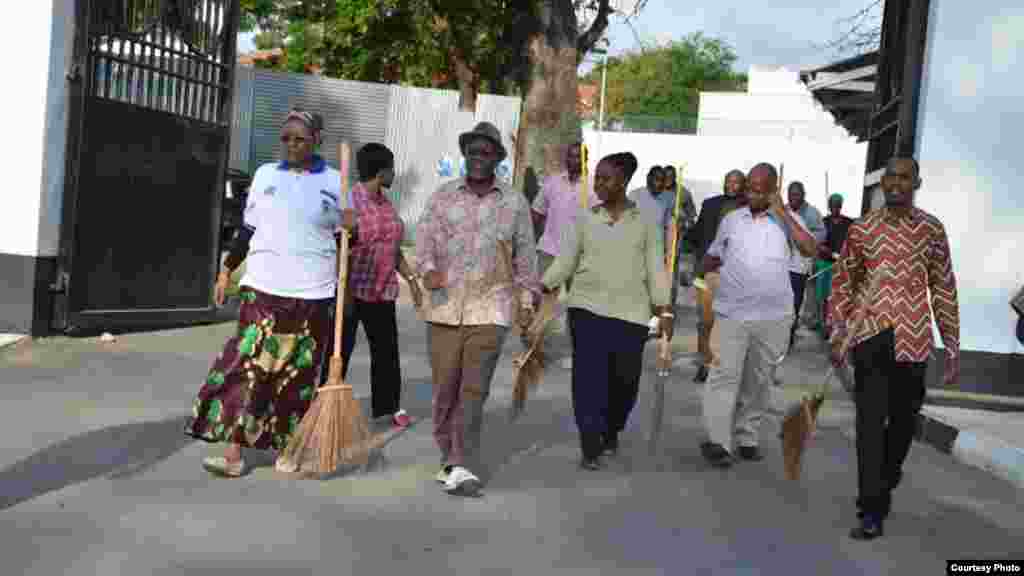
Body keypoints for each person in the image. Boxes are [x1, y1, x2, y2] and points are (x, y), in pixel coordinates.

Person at [185, 109, 351, 477]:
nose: (291, 146)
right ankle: (233, 453)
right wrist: (226, 270)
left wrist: (352, 232)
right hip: (262, 286)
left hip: (314, 292)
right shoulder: (264, 176)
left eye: (300, 139)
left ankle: (288, 449)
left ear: (316, 141)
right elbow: (247, 229)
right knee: (249, 367)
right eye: (286, 138)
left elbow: (345, 243)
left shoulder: (336, 183)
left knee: (297, 373)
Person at [829, 156, 959, 541]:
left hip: (914, 339)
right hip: (869, 336)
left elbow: (943, 286)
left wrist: (951, 343)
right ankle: (871, 507)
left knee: (902, 425)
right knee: (869, 423)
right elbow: (843, 282)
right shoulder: (863, 229)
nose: (896, 183)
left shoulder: (931, 230)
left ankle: (886, 479)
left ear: (917, 182)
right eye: (890, 177)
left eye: (904, 177)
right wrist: (839, 330)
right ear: (882, 184)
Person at [415, 122, 540, 497]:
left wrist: (527, 301)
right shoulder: (442, 198)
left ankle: (462, 463)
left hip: (492, 309)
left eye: (486, 153)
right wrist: (427, 271)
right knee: (444, 389)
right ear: (465, 155)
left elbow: (526, 258)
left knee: (474, 390)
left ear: (498, 159)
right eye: (472, 151)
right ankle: (448, 455)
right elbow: (423, 243)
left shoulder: (514, 203)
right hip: (444, 308)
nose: (478, 159)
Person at [541, 152, 672, 470]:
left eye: (605, 178)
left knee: (624, 383)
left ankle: (612, 429)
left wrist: (663, 307)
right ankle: (590, 442)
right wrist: (545, 286)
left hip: (631, 315)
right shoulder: (584, 219)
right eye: (596, 177)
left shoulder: (646, 223)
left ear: (624, 182)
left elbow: (656, 268)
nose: (598, 184)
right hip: (586, 309)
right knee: (587, 380)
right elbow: (566, 260)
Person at [699, 163, 817, 468]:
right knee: (724, 374)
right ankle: (717, 441)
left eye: (758, 188)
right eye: (749, 186)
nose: (750, 192)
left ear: (773, 190)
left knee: (758, 380)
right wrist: (704, 273)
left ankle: (747, 436)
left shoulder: (790, 222)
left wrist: (782, 214)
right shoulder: (731, 220)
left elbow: (808, 249)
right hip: (732, 312)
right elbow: (714, 254)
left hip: (773, 317)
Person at [320, 142, 423, 429]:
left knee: (387, 352)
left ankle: (388, 406)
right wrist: (347, 294)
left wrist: (412, 280)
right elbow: (341, 250)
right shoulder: (349, 203)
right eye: (391, 168)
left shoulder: (386, 204)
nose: (394, 173)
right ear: (381, 171)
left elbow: (393, 248)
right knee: (338, 351)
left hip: (382, 291)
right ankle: (322, 402)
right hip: (351, 292)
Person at [531, 141, 597, 368]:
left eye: (578, 157)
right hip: (549, 251)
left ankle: (575, 353)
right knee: (544, 304)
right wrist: (534, 241)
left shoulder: (593, 188)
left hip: (579, 256)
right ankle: (538, 351)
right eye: (570, 156)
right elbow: (537, 212)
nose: (573, 161)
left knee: (578, 307)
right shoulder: (552, 183)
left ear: (586, 160)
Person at [686, 169, 747, 383]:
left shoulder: (748, 208)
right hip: (707, 270)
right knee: (705, 321)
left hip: (734, 274)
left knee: (729, 323)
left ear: (744, 185)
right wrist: (682, 228)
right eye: (728, 181)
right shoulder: (710, 204)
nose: (731, 185)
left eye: (736, 182)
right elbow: (697, 233)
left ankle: (726, 365)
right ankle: (705, 362)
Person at [785, 181, 826, 351]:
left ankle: (789, 337)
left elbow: (820, 234)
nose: (793, 198)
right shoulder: (784, 211)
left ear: (803, 195)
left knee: (794, 303)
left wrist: (803, 239)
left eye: (797, 194)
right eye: (790, 194)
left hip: (799, 266)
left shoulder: (812, 213)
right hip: (780, 265)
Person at [817, 193, 854, 338]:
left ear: (841, 206)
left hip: (843, 265)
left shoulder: (849, 223)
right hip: (826, 264)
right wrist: (829, 252)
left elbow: (853, 241)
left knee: (840, 296)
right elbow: (818, 244)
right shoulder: (823, 222)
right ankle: (826, 325)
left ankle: (837, 326)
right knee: (825, 297)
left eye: (838, 205)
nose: (835, 208)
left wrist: (845, 256)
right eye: (833, 205)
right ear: (829, 206)